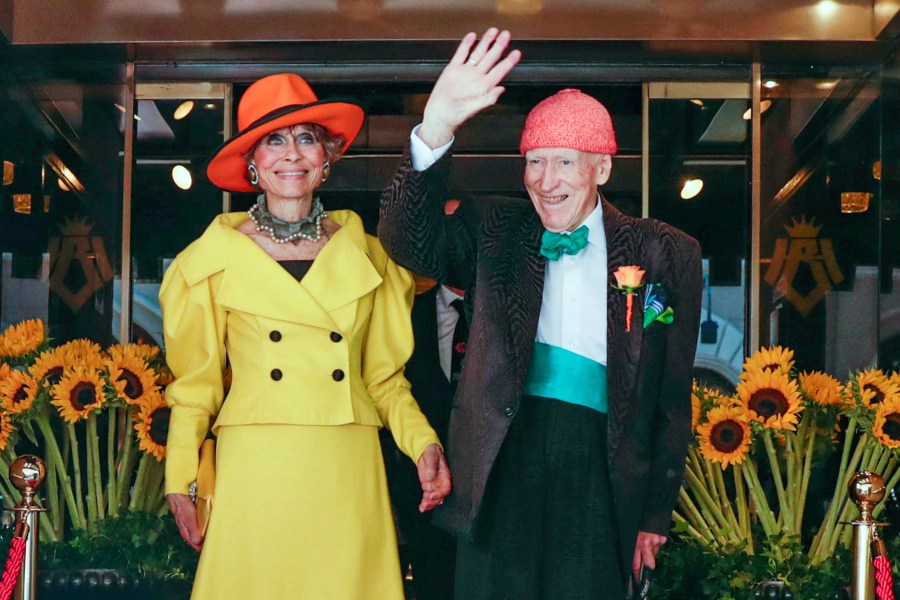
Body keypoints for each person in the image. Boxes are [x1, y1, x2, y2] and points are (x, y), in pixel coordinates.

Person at [378, 29, 703, 600]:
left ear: (601, 169)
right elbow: (409, 242)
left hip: (602, 468)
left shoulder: (664, 252)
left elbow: (670, 400)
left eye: (563, 163)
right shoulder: (495, 229)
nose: (545, 182)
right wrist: (436, 128)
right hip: (503, 456)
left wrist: (654, 513)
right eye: (534, 163)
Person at [160, 72, 451, 600]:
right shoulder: (205, 263)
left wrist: (422, 442)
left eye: (306, 137)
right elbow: (195, 386)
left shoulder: (373, 255)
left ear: (327, 155)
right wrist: (181, 478)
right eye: (274, 139)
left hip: (344, 462)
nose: (291, 154)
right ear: (252, 161)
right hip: (257, 463)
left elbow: (384, 380)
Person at [382, 201, 465, 600]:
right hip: (420, 493)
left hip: (496, 498)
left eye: (460, 230)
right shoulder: (402, 307)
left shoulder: (509, 310)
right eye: (440, 231)